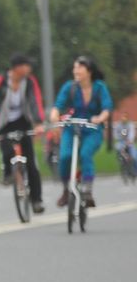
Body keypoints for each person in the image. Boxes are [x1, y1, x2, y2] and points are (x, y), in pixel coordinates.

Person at [0, 54, 45, 214]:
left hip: (22, 121)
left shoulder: (30, 82)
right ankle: (7, 173)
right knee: (6, 149)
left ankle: (37, 200)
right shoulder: (1, 82)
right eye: (26, 65)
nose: (29, 69)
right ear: (17, 68)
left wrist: (38, 123)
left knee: (31, 162)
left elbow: (35, 102)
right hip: (5, 123)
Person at [53, 54, 113, 210]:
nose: (76, 70)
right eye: (74, 67)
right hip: (71, 128)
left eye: (79, 67)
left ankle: (87, 189)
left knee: (86, 154)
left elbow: (107, 108)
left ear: (89, 71)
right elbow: (58, 105)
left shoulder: (99, 87)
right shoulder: (70, 87)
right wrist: (54, 114)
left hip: (92, 129)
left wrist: (100, 118)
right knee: (65, 156)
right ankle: (66, 188)